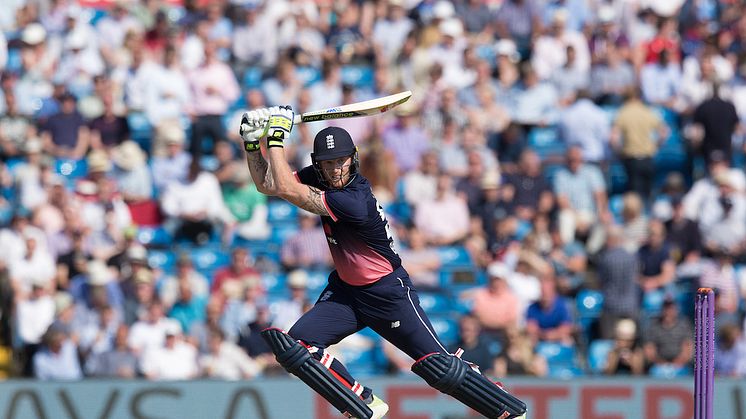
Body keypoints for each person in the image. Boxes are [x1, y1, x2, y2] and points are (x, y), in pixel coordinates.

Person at [239, 107, 527, 419]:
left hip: (387, 292)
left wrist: (277, 136)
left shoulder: (354, 200)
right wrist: (254, 144)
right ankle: (363, 401)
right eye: (328, 163)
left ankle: (505, 406)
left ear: (353, 159)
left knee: (437, 366)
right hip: (347, 293)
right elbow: (268, 184)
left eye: (341, 161)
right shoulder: (323, 178)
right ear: (318, 164)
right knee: (296, 346)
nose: (335, 169)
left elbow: (284, 187)